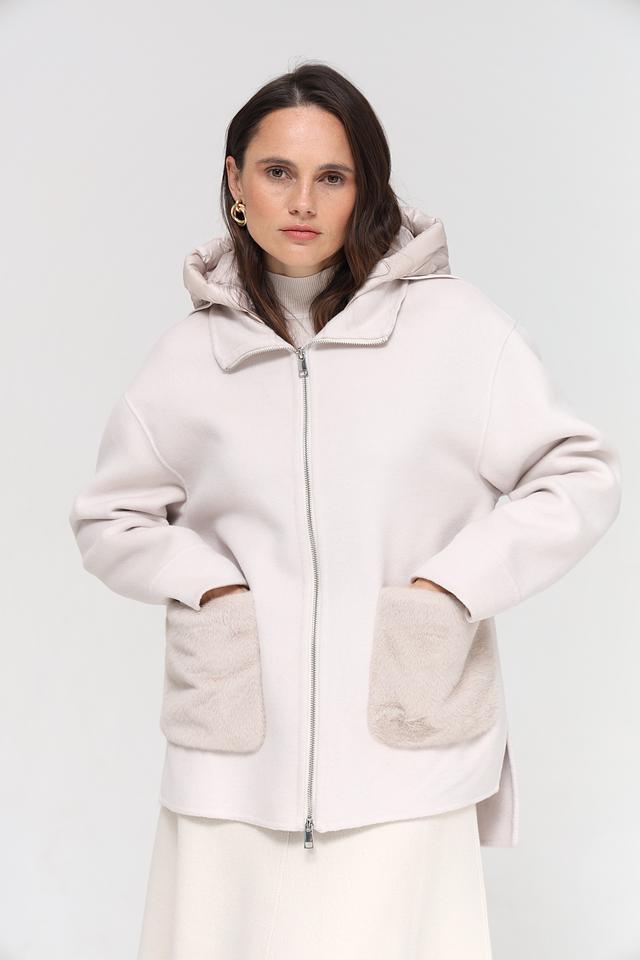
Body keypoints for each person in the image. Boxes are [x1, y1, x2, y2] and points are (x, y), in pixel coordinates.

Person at [68, 62, 622, 959]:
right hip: (234, 762)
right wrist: (211, 589)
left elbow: (580, 473)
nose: (303, 201)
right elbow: (108, 519)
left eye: (333, 176)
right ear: (234, 180)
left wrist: (451, 587)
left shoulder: (456, 332)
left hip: (405, 745)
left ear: (367, 188)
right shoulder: (188, 359)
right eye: (277, 171)